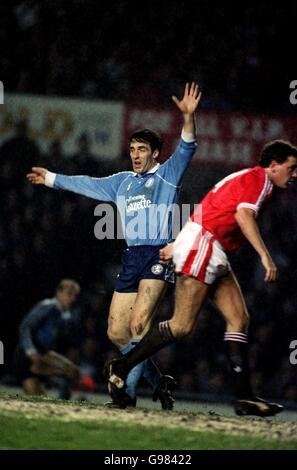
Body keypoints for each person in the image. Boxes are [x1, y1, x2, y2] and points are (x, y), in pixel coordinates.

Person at [26, 82, 202, 409]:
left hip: (158, 255)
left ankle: (126, 398)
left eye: (141, 150)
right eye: (132, 149)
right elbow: (86, 184)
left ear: (154, 153)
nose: (135, 155)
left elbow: (187, 146)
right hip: (132, 258)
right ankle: (157, 381)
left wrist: (189, 117)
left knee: (138, 326)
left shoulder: (167, 175)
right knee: (116, 332)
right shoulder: (120, 182)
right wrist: (50, 178)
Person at [106, 139, 297, 416]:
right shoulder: (260, 180)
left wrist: (180, 243)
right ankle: (121, 366)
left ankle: (244, 397)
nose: (295, 174)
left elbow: (213, 205)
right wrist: (265, 256)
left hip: (208, 245)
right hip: (205, 245)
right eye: (291, 168)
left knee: (239, 319)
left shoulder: (246, 178)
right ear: (273, 166)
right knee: (182, 326)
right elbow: (243, 215)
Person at [14, 279, 81, 398]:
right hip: (28, 355)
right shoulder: (47, 306)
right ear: (59, 292)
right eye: (69, 294)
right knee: (35, 398)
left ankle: (65, 395)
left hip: (43, 353)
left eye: (74, 295)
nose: (72, 299)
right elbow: (25, 327)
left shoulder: (65, 315)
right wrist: (31, 351)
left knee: (72, 371)